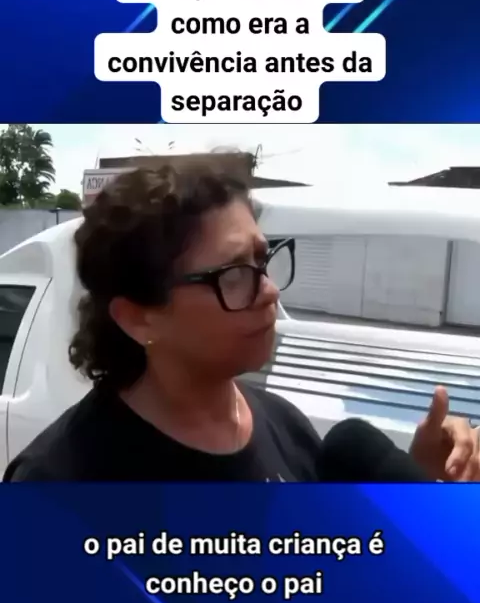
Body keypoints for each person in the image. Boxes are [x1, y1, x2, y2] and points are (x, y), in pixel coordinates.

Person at [3, 157, 480, 483]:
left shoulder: (286, 427)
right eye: (233, 275)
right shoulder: (59, 482)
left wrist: (418, 486)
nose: (269, 290)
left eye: (262, 260)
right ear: (139, 318)